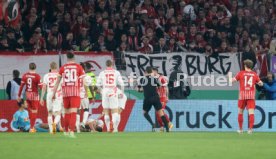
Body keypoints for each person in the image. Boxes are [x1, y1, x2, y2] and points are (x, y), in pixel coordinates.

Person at [52, 53, 85, 138]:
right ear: (74, 57)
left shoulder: (62, 68)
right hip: (75, 92)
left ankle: (66, 131)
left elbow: (57, 82)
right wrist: (84, 92)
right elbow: (83, 82)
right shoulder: (78, 67)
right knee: (73, 112)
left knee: (66, 112)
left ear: (67, 58)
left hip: (65, 92)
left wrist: (53, 93)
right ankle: (71, 132)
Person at [229, 59, 263, 134]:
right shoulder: (254, 74)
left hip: (242, 96)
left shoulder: (241, 73)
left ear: (245, 66)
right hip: (251, 96)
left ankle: (241, 130)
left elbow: (232, 81)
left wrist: (229, 77)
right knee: (251, 113)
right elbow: (261, 83)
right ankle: (250, 130)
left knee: (240, 113)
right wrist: (259, 83)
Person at [137, 66, 170, 132]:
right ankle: (167, 127)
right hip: (155, 98)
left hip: (147, 98)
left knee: (145, 113)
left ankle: (152, 124)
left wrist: (142, 89)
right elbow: (159, 86)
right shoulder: (155, 79)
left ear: (145, 72)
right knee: (161, 113)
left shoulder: (142, 79)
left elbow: (139, 90)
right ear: (151, 72)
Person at [96, 60, 124, 133]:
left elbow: (97, 85)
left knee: (106, 112)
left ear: (106, 65)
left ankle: (108, 128)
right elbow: (122, 84)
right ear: (112, 64)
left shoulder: (102, 73)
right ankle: (114, 127)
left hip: (105, 92)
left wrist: (102, 91)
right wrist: (122, 93)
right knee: (114, 111)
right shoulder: (116, 72)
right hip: (113, 91)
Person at [17, 63, 41, 133]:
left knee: (30, 111)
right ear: (35, 68)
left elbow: (21, 86)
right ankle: (32, 128)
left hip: (27, 95)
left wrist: (19, 96)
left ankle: (30, 126)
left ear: (29, 67)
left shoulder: (25, 75)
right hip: (34, 95)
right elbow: (40, 87)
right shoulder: (37, 76)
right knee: (34, 111)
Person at [40, 62, 63, 134]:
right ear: (56, 67)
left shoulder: (46, 75)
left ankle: (51, 130)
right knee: (58, 113)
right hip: (57, 93)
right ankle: (55, 124)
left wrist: (41, 98)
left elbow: (44, 87)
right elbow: (62, 86)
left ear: (50, 67)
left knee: (49, 112)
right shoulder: (59, 75)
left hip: (49, 94)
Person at [152, 67, 173, 132]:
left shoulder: (161, 78)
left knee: (161, 111)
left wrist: (167, 97)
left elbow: (166, 86)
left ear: (155, 71)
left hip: (162, 97)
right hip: (156, 98)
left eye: (152, 71)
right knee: (157, 113)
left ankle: (169, 123)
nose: (151, 73)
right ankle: (161, 127)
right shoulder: (152, 79)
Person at [76, 62, 92, 133]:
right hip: (83, 95)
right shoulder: (86, 76)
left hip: (76, 95)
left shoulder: (76, 76)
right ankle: (83, 123)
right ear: (84, 68)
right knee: (86, 109)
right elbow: (87, 84)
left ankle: (77, 128)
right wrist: (86, 92)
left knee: (78, 111)